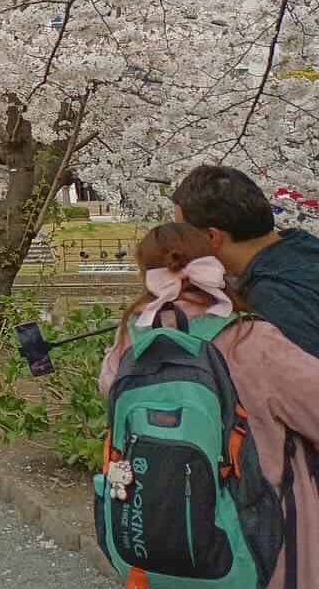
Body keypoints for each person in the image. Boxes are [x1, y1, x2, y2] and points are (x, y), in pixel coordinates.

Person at [98, 222, 319, 589]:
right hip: (263, 540)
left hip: (162, 532)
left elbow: (109, 390)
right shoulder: (251, 339)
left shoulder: (133, 339)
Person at [173, 165, 319, 357]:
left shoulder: (273, 297)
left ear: (211, 237)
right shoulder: (305, 251)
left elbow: (298, 381)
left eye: (183, 234)